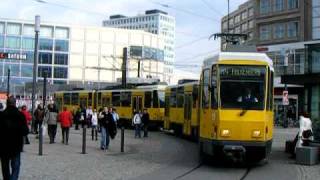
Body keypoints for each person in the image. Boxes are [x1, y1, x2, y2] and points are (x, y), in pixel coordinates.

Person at [0, 96, 29, 180]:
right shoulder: (20, 115)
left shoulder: (1, 115)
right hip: (16, 145)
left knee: (5, 167)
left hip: (3, 146)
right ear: (15, 103)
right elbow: (25, 131)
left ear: (6, 103)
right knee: (15, 166)